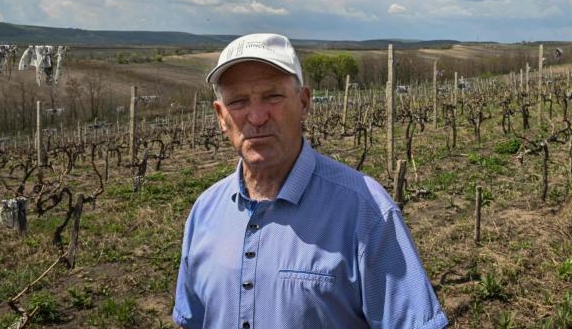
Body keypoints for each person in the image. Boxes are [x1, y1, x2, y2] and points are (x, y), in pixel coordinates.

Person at [173, 33, 448, 329]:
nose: (256, 116)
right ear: (221, 116)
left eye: (272, 96)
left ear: (304, 102)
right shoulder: (204, 212)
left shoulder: (364, 210)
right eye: (238, 102)